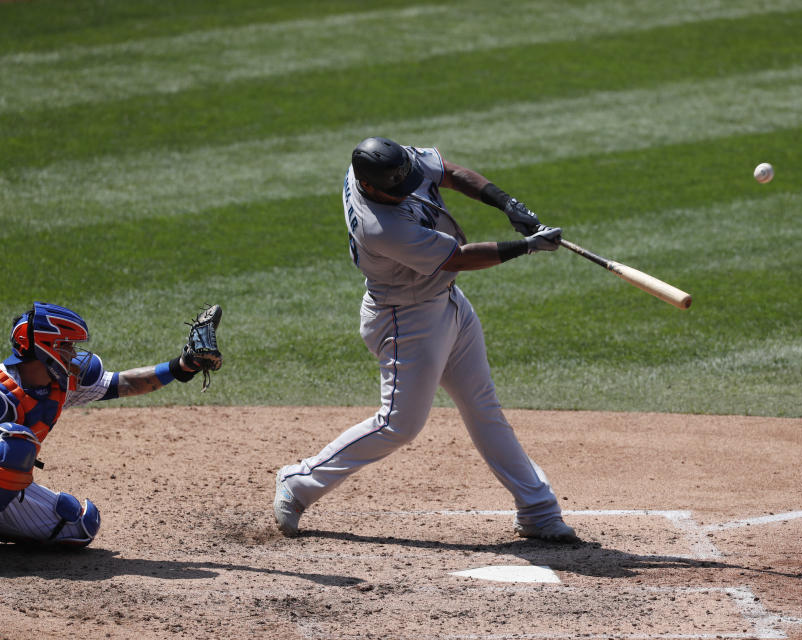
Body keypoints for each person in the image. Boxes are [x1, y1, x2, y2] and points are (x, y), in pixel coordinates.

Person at [274, 136, 578, 543]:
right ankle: (298, 482)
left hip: (446, 301)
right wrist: (525, 248)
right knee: (398, 425)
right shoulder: (381, 227)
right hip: (407, 320)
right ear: (371, 187)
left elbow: (450, 172)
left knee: (482, 403)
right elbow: (458, 258)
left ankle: (538, 511)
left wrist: (507, 203)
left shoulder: (382, 164)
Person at [0, 302, 216, 546]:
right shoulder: (3, 393)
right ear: (44, 349)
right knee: (13, 447)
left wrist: (183, 366)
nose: (73, 354)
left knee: (78, 524)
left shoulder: (59, 385)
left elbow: (123, 383)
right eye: (67, 346)